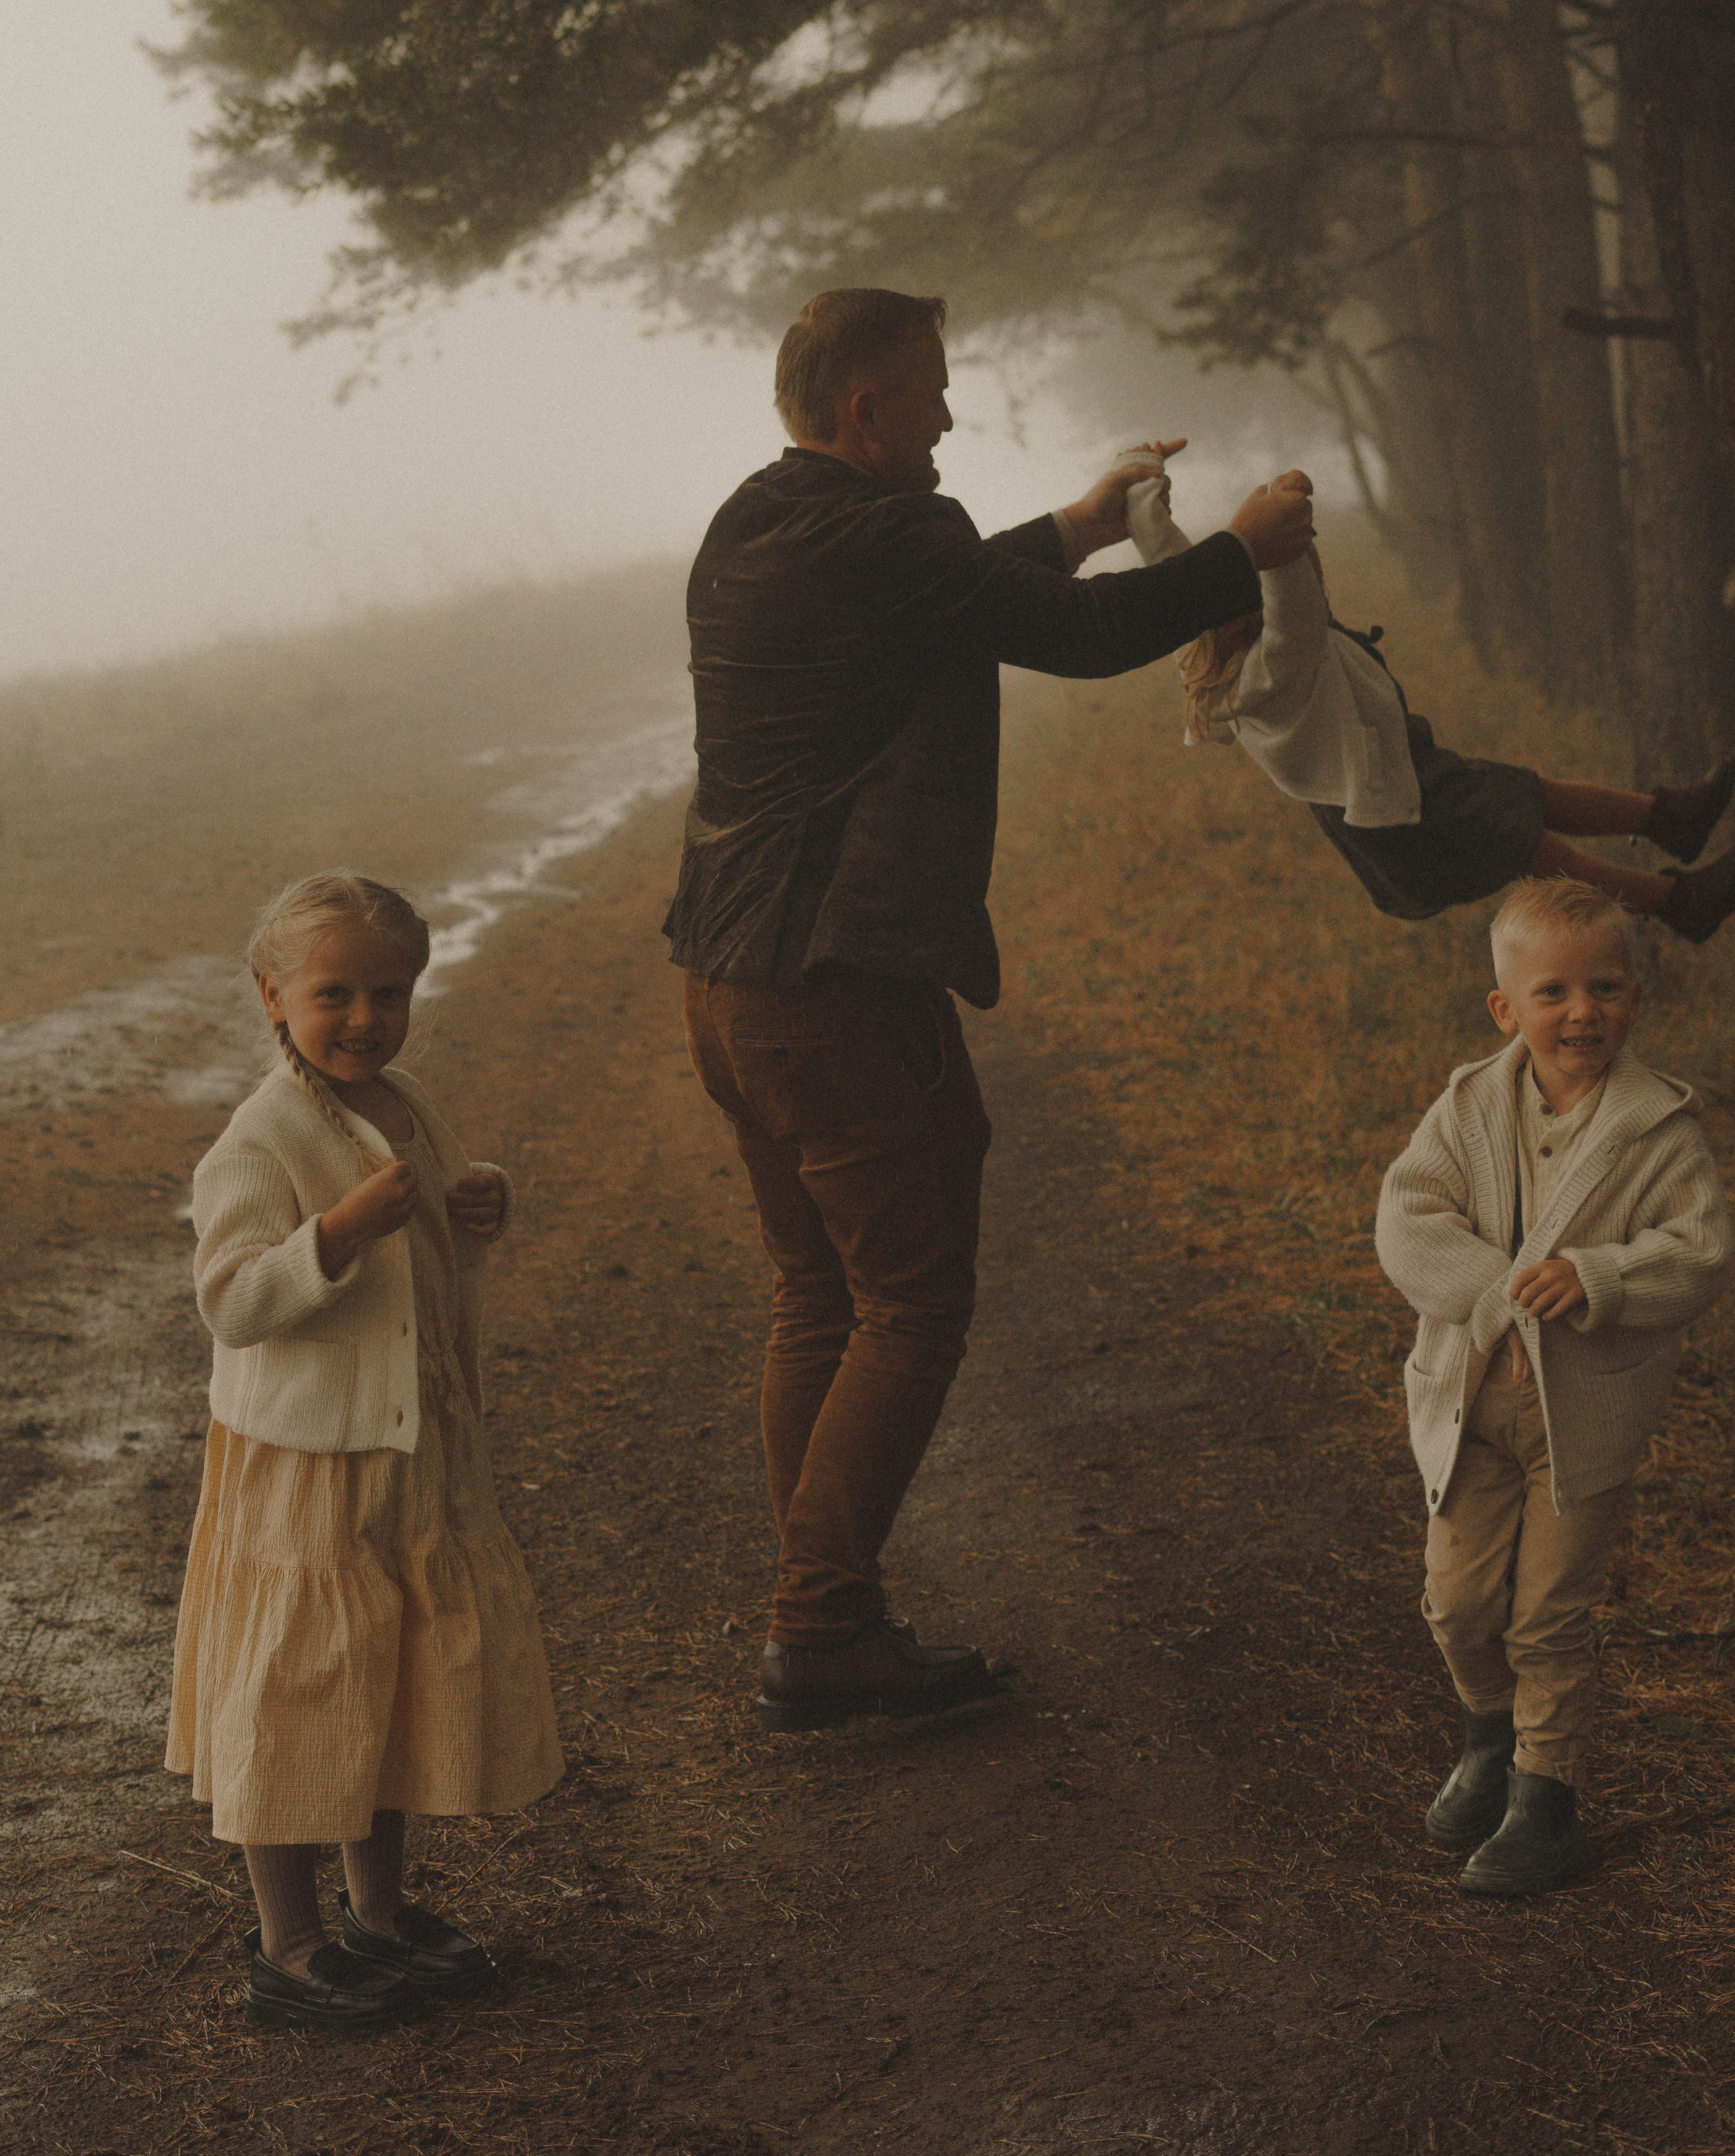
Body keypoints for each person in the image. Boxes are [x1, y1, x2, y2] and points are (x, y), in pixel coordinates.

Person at [666, 284, 1315, 1732]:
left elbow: (957, 599)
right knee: (910, 1299)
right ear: (867, 413)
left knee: (817, 1294)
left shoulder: (749, 525)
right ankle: (821, 1630)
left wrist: (1079, 527)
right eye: (937, 394)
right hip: (838, 985)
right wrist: (1236, 556)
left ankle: (826, 1614)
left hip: (724, 982)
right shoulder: (901, 536)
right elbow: (1072, 642)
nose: (953, 416)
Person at [167, 873, 562, 2030]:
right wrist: (328, 1239)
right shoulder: (259, 1140)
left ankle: (379, 1915)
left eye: (388, 993)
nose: (364, 1018)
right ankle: (289, 1943)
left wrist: (480, 1207)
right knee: (293, 1694)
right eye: (333, 993)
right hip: (305, 1463)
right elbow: (233, 1299)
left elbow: (431, 1263)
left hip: (408, 1450)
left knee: (382, 1688)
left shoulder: (409, 1104)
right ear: (271, 998)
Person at [1375, 876, 1732, 1896]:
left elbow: (1702, 1251)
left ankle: (1547, 1796)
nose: (1584, 1012)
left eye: (1608, 988)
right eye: (1555, 992)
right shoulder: (1469, 1106)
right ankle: (1489, 1734)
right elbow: (1408, 1219)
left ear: (1636, 997)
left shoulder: (1658, 1128)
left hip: (1584, 1418)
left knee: (1547, 1615)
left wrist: (1600, 1276)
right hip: (1468, 1399)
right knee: (1456, 1602)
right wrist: (1499, 1293)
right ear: (1507, 1008)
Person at [1125, 458, 1735, 938]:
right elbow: (1291, 588)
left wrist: (1141, 481)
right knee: (1524, 842)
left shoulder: (1203, 647)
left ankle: (1670, 820)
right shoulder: (1278, 661)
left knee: (1528, 796)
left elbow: (1168, 562)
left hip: (1397, 773)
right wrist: (1278, 512)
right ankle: (1678, 903)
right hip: (1387, 799)